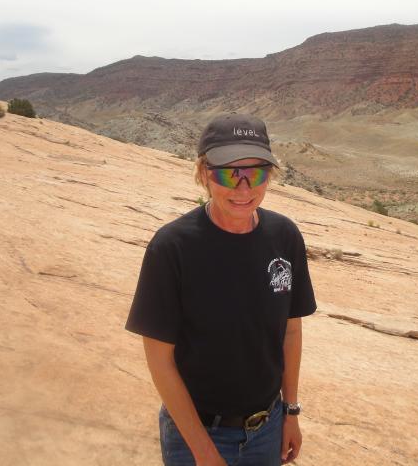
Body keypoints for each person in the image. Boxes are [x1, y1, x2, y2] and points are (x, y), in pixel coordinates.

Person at [125, 113, 317, 466]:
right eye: (229, 173)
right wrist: (203, 451)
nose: (243, 188)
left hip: (268, 426)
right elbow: (159, 360)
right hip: (196, 431)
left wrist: (290, 412)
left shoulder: (284, 236)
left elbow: (290, 330)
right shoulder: (173, 247)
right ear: (203, 174)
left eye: (256, 173)